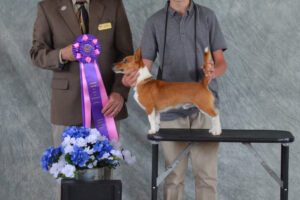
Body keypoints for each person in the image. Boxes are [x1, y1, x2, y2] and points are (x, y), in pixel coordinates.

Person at [122, 0, 227, 199]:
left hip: (203, 104)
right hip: (170, 110)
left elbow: (221, 62)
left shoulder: (208, 16)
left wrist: (213, 72)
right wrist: (131, 78)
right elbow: (145, 65)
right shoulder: (154, 21)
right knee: (173, 176)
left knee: (207, 177)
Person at [30, 0, 133, 199]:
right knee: (67, 176)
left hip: (106, 107)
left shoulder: (114, 5)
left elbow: (126, 56)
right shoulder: (47, 7)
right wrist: (62, 55)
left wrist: (120, 92)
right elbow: (37, 54)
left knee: (104, 175)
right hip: (66, 108)